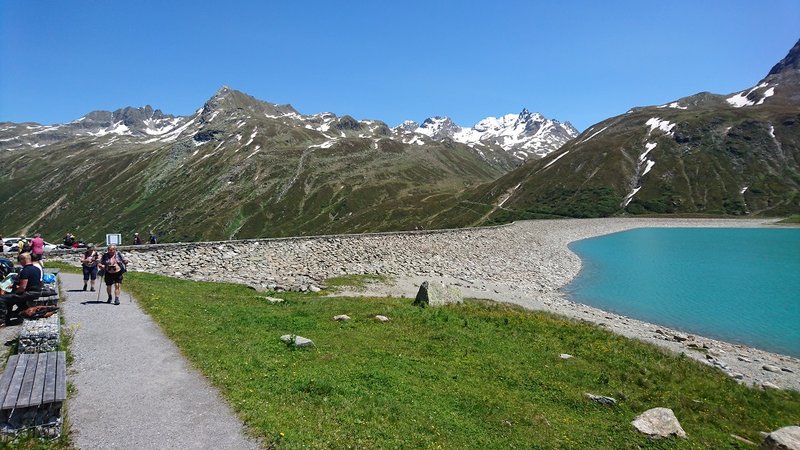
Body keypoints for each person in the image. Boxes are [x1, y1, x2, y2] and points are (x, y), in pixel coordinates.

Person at [0, 253, 42, 326]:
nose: (19, 262)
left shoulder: (25, 270)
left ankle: (2, 320)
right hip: (36, 291)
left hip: (29, 293)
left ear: (24, 260)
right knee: (9, 298)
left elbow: (23, 287)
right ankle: (11, 316)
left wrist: (15, 291)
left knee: (2, 299)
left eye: (20, 260)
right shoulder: (36, 268)